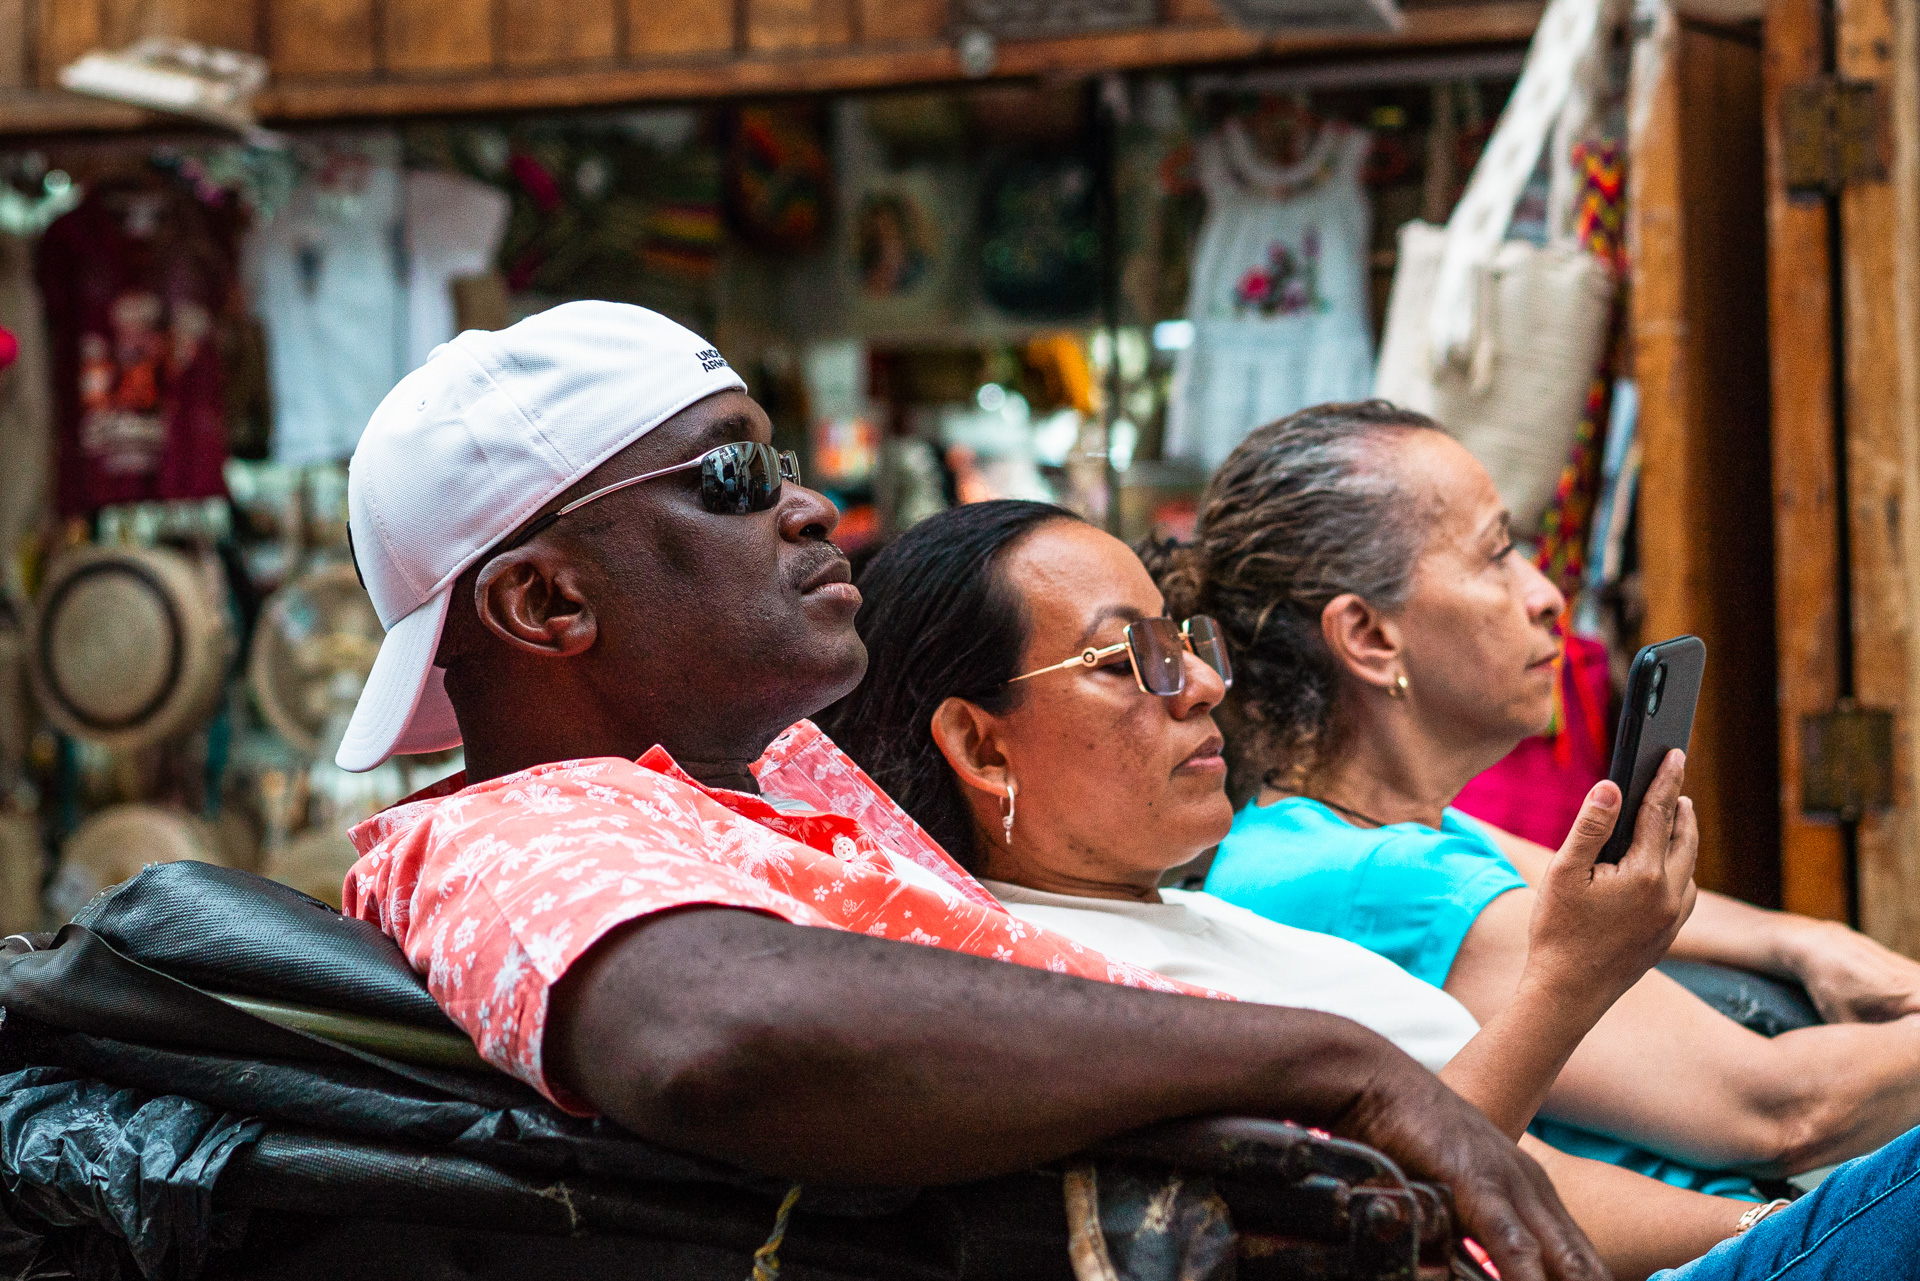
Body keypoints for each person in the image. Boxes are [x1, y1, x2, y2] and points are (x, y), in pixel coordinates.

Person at [328, 302, 1597, 1281]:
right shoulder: (508, 829)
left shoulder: (763, 785)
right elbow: (711, 1032)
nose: (812, 505)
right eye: (735, 479)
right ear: (546, 602)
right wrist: (1335, 1067)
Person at [822, 497, 1920, 1281]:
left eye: (1185, 642)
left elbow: (1530, 1180)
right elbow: (1363, 1225)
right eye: (1129, 662)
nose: (1202, 683)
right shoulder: (1055, 979)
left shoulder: (1195, 899)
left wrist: (1777, 1216)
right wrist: (1574, 984)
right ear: (982, 745)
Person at [1147, 399, 1920, 1195]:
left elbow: (1566, 885)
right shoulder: (1383, 877)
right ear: (1371, 637)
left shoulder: (1332, 833)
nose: (1546, 593)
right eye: (1498, 555)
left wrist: (1808, 942)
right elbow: (1784, 1108)